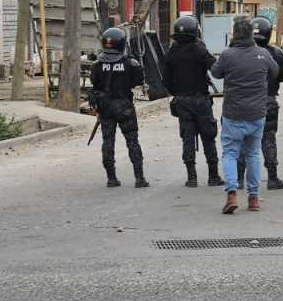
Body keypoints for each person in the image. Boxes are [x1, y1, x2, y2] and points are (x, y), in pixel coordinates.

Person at [210, 17, 279, 214]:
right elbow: (275, 71)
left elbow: (216, 73)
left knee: (230, 153)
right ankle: (254, 197)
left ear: (235, 34)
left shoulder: (227, 55)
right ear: (251, 34)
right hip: (257, 113)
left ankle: (232, 192)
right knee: (254, 153)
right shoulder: (263, 54)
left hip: (233, 113)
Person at [162, 15, 223, 187]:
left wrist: (178, 93)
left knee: (187, 138)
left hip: (182, 101)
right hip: (201, 100)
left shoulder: (172, 52)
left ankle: (191, 177)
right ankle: (213, 176)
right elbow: (215, 67)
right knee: (208, 137)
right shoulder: (199, 49)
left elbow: (165, 80)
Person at [236, 17, 283, 191]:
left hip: (244, 101)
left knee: (243, 139)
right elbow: (281, 77)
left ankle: (238, 179)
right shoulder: (277, 54)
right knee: (269, 139)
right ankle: (272, 178)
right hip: (268, 101)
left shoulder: (238, 52)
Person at [90, 27, 148, 188]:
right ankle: (139, 178)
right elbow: (138, 80)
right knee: (132, 141)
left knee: (107, 141)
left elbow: (95, 84)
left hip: (106, 107)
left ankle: (111, 178)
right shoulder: (130, 63)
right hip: (124, 106)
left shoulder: (97, 64)